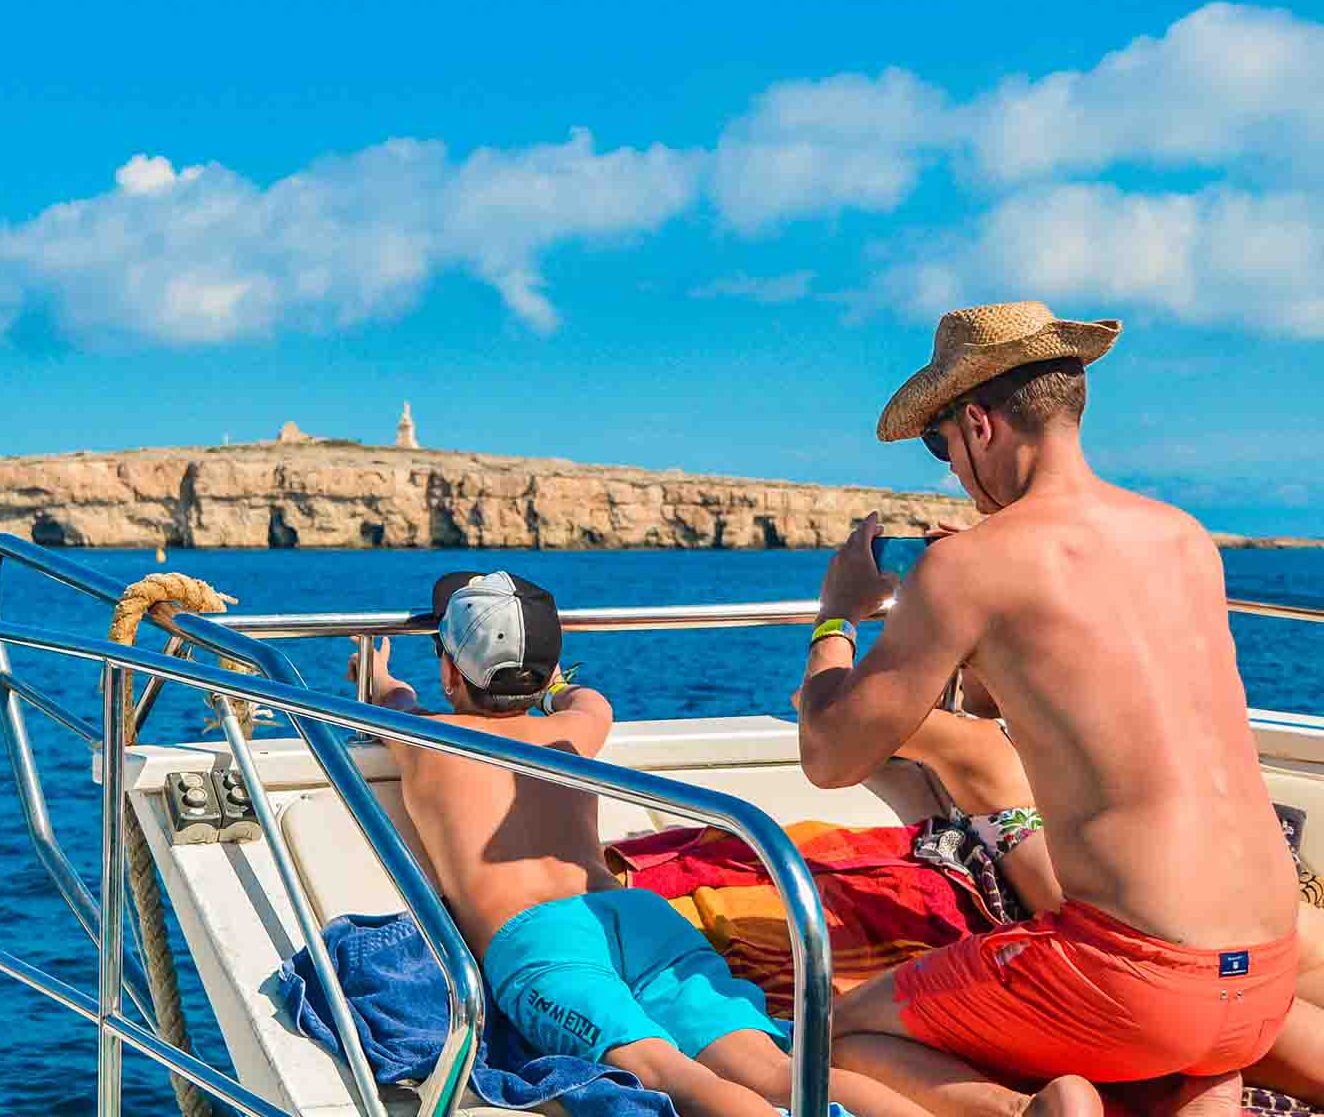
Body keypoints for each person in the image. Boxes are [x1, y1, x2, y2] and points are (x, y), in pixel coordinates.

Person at [793, 301, 1300, 1117]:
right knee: (1181, 1041)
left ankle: (1032, 1113)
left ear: (980, 424)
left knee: (830, 1037)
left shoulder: (970, 568)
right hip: (1262, 980)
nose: (951, 471)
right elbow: (1036, 702)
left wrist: (838, 618)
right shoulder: (1185, 538)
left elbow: (828, 758)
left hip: (1134, 983)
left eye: (941, 444)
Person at [351, 570, 935, 1117]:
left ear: (450, 673)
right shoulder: (571, 728)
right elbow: (588, 699)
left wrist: (377, 678)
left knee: (665, 1071)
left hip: (538, 937)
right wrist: (553, 687)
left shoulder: (424, 735)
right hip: (631, 915)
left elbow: (391, 698)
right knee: (780, 1069)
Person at [888, 667, 1324, 1108]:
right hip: (1227, 928)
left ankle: (1208, 1086)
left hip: (1137, 951)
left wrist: (839, 624)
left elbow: (838, 726)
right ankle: (1210, 1086)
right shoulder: (1132, 740)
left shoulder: (982, 745)